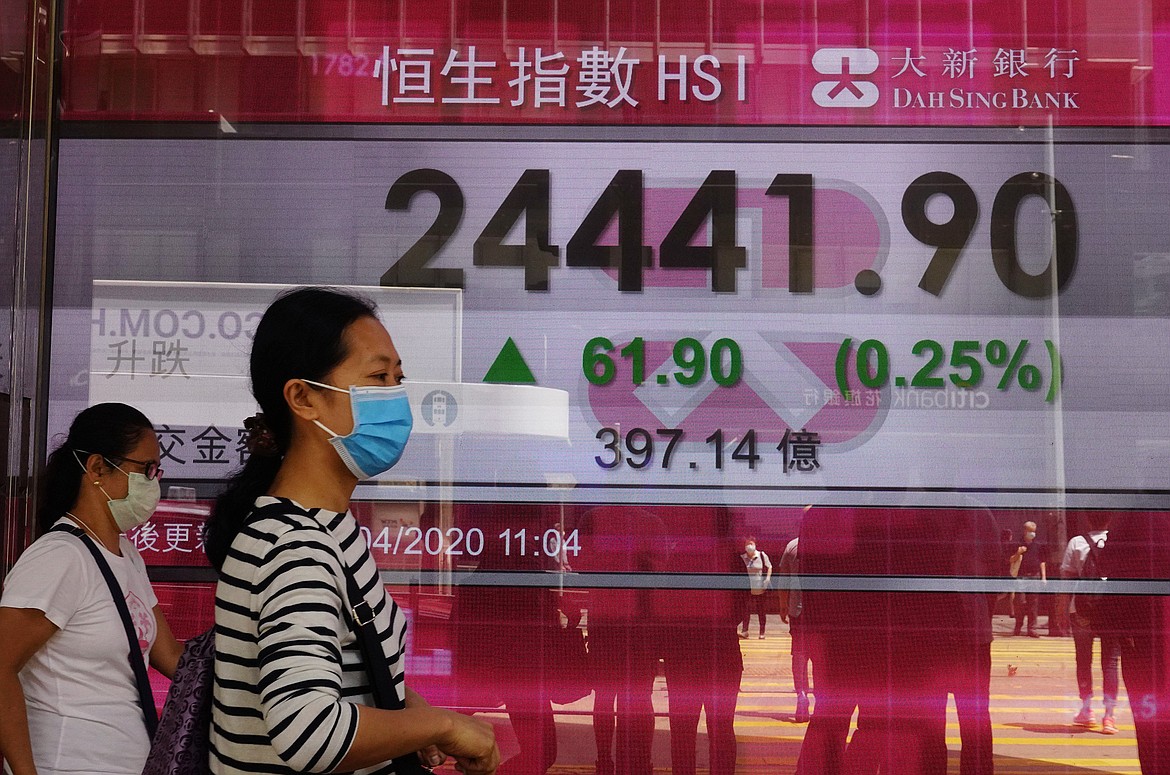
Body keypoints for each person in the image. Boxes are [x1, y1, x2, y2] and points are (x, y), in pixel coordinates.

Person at [202, 288, 499, 775]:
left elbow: (350, 665)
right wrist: (441, 727)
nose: (396, 397)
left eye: (398, 378)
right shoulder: (295, 546)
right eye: (378, 377)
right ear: (303, 398)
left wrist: (407, 712)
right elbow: (310, 732)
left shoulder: (324, 528)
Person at [0, 403, 183, 775]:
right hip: (66, 764)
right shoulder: (59, 557)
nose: (153, 482)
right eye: (145, 469)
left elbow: (172, 659)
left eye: (155, 470)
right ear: (98, 468)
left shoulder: (127, 555)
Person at [1061, 513, 1121, 733]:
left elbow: (1067, 577)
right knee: (1111, 663)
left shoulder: (1077, 542)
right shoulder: (1116, 541)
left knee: (1083, 660)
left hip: (1082, 610)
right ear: (1109, 520)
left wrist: (1063, 610)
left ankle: (1087, 711)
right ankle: (1109, 716)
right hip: (1111, 611)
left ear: (1088, 519)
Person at [777, 536, 812, 722]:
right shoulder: (827, 541)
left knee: (799, 655)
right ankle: (822, 701)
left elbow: (784, 581)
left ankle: (801, 696)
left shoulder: (792, 546)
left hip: (798, 612)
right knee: (822, 658)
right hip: (823, 613)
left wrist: (783, 606)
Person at [1013, 520, 1047, 637]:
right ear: (1024, 531)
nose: (1032, 534)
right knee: (1020, 602)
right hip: (1021, 576)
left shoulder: (1038, 545)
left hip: (1034, 576)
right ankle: (1018, 626)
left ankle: (1032, 628)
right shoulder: (1018, 544)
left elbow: (1042, 561)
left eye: (1034, 531)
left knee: (1033, 603)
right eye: (1030, 531)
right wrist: (1018, 552)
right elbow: (1011, 559)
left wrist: (1043, 577)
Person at [739, 537, 772, 639]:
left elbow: (769, 566)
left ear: (755, 544)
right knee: (746, 610)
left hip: (760, 588)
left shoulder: (761, 555)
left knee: (761, 611)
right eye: (747, 544)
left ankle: (762, 632)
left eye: (751, 543)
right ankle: (745, 631)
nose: (749, 546)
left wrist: (767, 578)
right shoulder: (742, 557)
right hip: (747, 589)